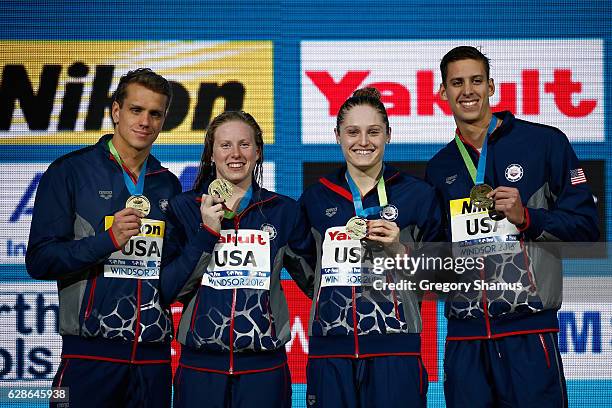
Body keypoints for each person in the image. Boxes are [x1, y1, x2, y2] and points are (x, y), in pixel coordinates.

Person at [425, 46, 599, 407]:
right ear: (443, 92)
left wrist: (527, 218)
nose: (467, 91)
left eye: (476, 81)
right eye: (457, 83)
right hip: (465, 340)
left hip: (528, 330)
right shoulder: (439, 167)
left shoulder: (544, 143)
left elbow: (586, 226)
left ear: (492, 86)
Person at [26, 68, 181, 408]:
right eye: (136, 110)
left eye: (155, 113)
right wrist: (108, 240)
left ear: (164, 119)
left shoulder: (166, 184)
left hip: (153, 359)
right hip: (88, 357)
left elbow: (170, 270)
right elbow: (40, 259)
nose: (145, 121)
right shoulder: (70, 171)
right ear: (115, 112)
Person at [160, 110, 314, 408]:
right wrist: (206, 233)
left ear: (258, 152)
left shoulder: (282, 211)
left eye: (244, 144)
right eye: (225, 145)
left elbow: (316, 283)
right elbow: (168, 290)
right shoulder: (184, 208)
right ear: (212, 153)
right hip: (200, 367)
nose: (235, 154)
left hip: (264, 369)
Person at [299, 88, 441, 407]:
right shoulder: (315, 199)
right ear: (337, 136)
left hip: (396, 348)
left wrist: (400, 251)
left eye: (373, 131)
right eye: (353, 132)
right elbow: (308, 269)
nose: (363, 141)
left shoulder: (417, 195)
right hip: (331, 350)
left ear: (388, 135)